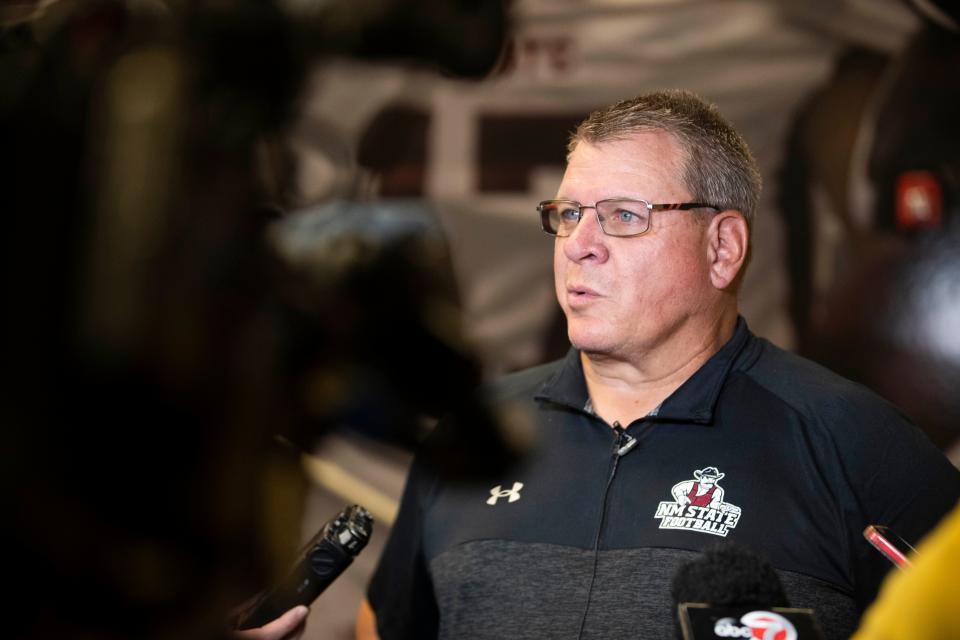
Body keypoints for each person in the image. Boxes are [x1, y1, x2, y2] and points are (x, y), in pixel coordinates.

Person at [355, 90, 960, 640]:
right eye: (567, 215)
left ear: (722, 248)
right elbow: (384, 625)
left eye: (623, 216)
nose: (579, 245)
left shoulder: (857, 446)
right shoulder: (472, 435)